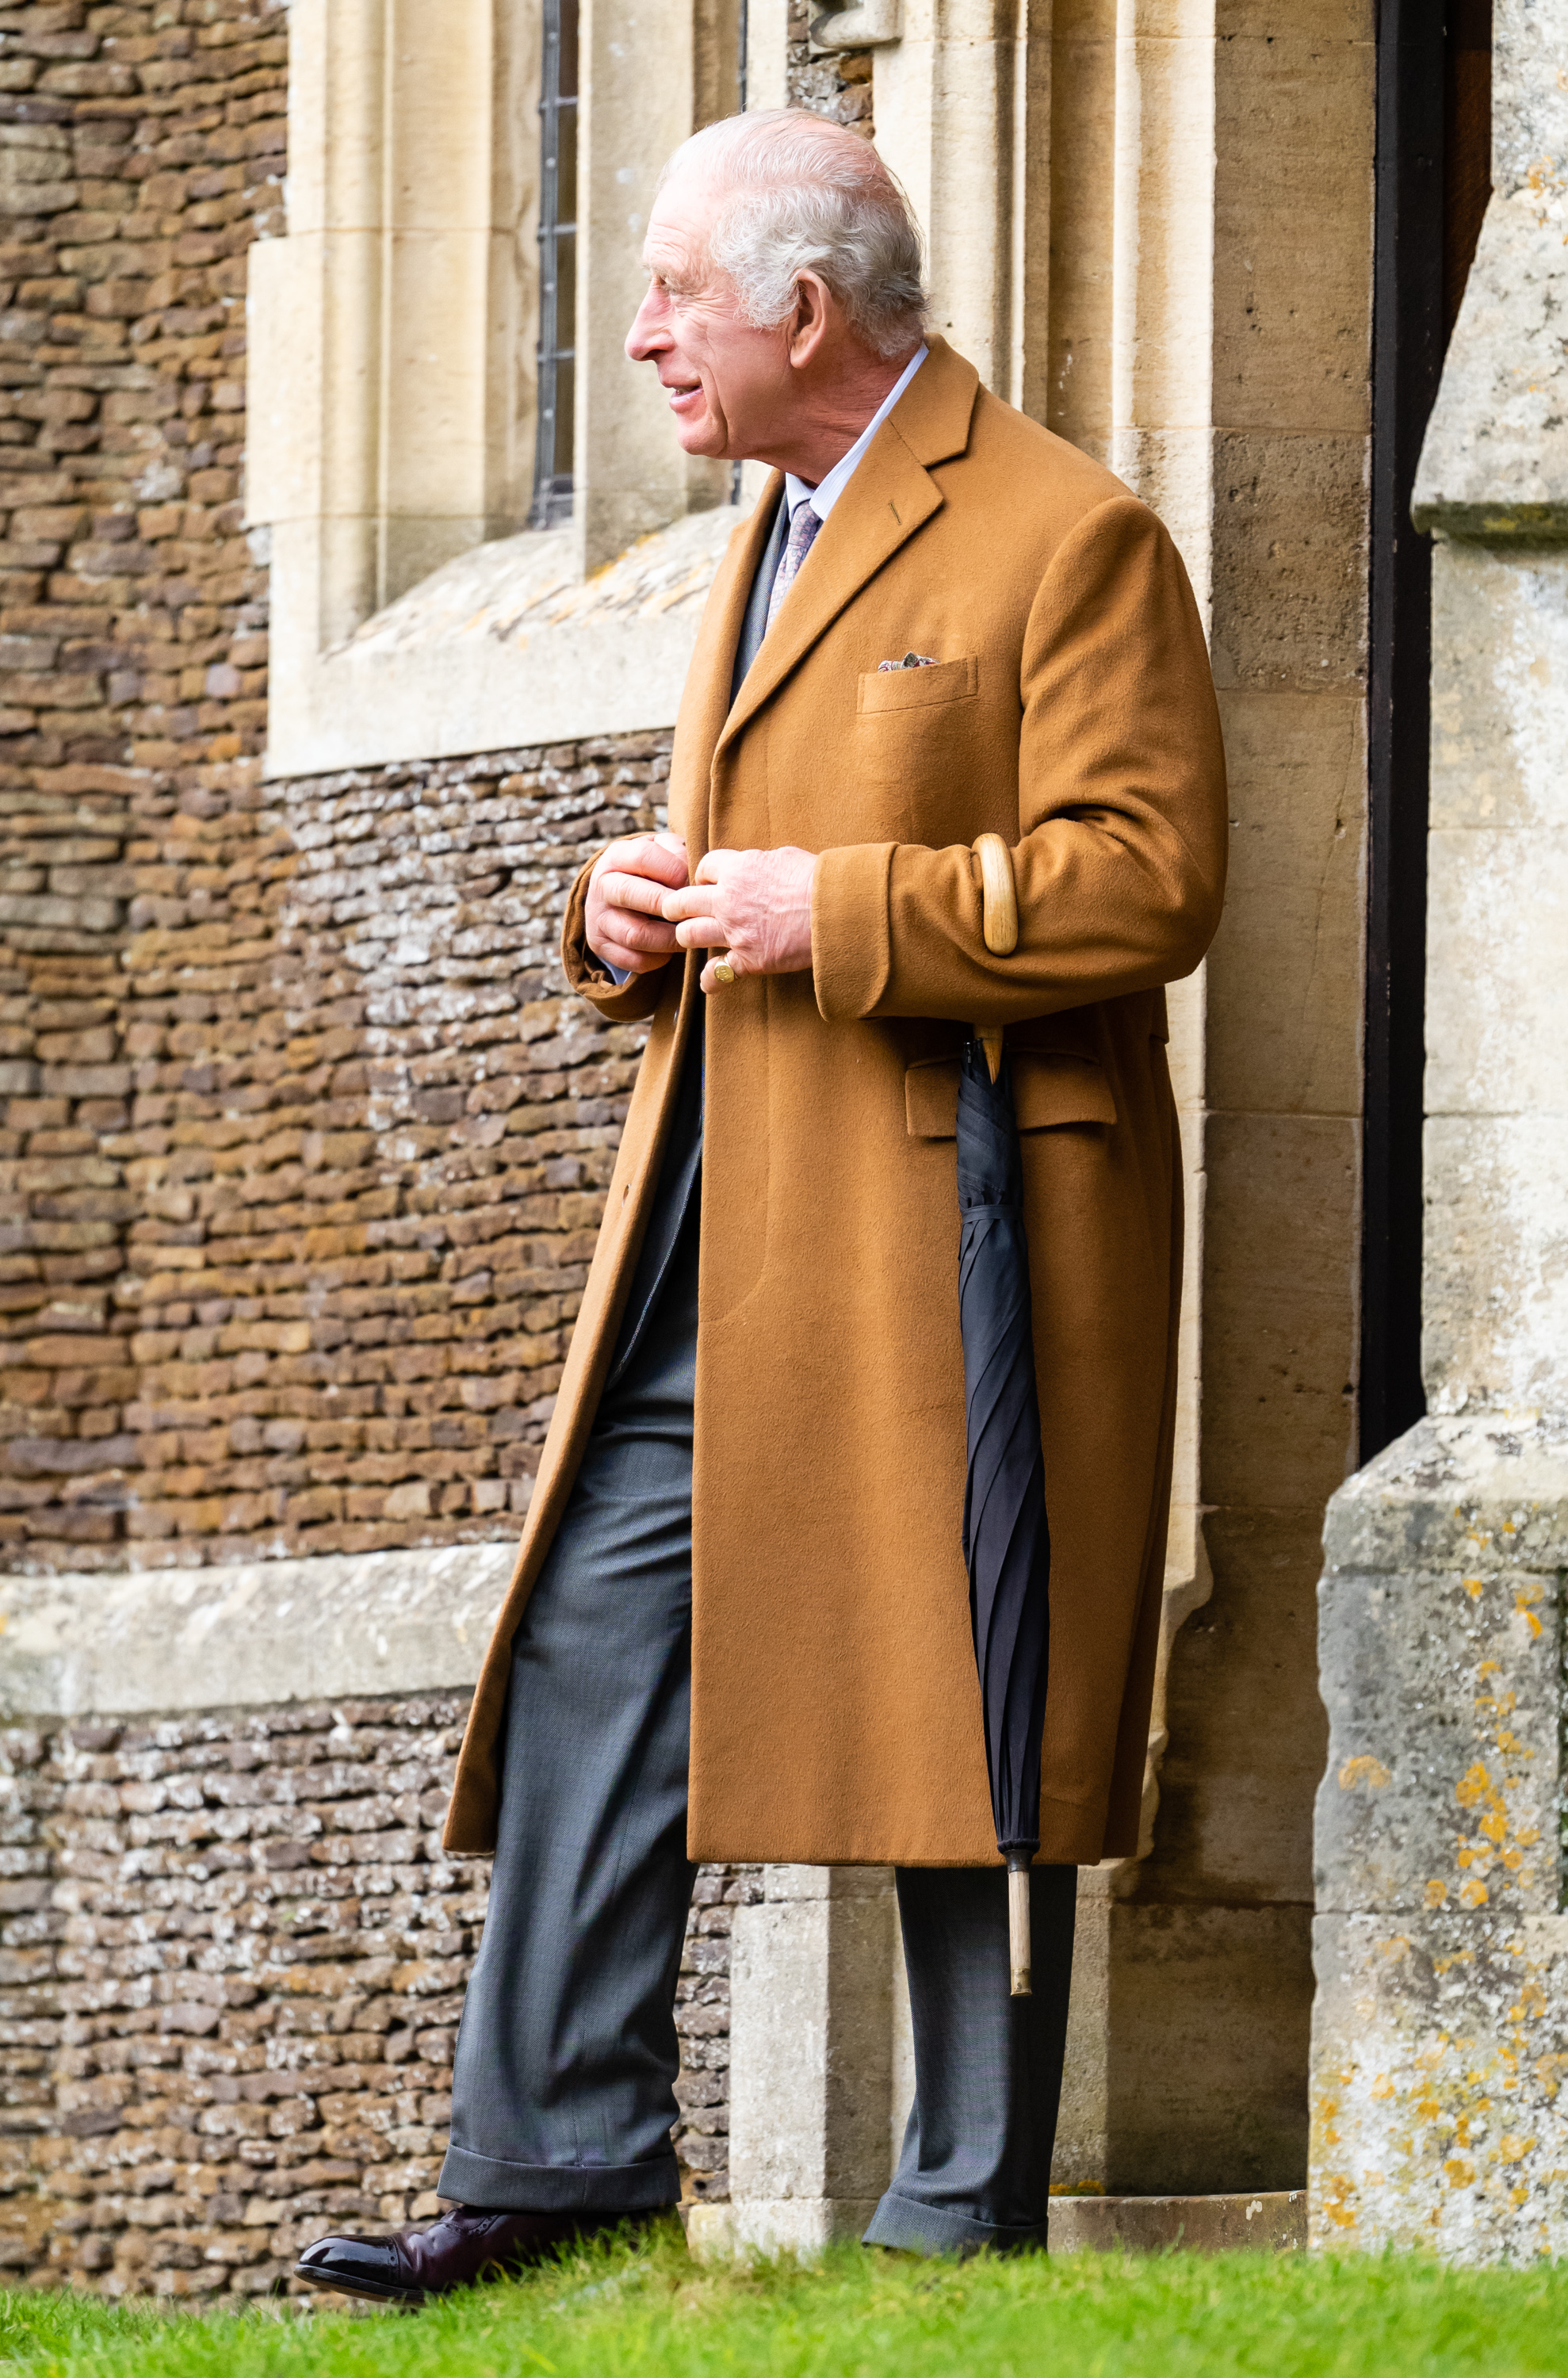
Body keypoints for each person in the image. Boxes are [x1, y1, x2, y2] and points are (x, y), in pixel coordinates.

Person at [296, 107, 1227, 2306]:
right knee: (597, 1635)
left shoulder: (1063, 533)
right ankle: (559, 2172)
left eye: (672, 301)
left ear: (803, 312)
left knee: (962, 1686)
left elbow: (1152, 879)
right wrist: (613, 916)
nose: (636, 344)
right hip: (729, 1221)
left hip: (959, 1217)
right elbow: (752, 844)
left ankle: (953, 2206)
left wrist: (851, 908)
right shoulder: (774, 528)